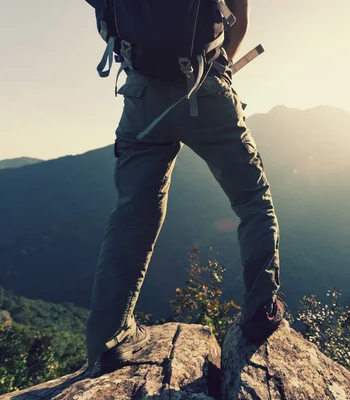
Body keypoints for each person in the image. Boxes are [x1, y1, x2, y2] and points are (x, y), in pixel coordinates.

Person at [85, 0, 284, 371]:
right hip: (205, 85)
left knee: (132, 214)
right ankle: (261, 312)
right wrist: (218, 65)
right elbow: (236, 16)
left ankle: (109, 338)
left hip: (142, 96)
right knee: (252, 199)